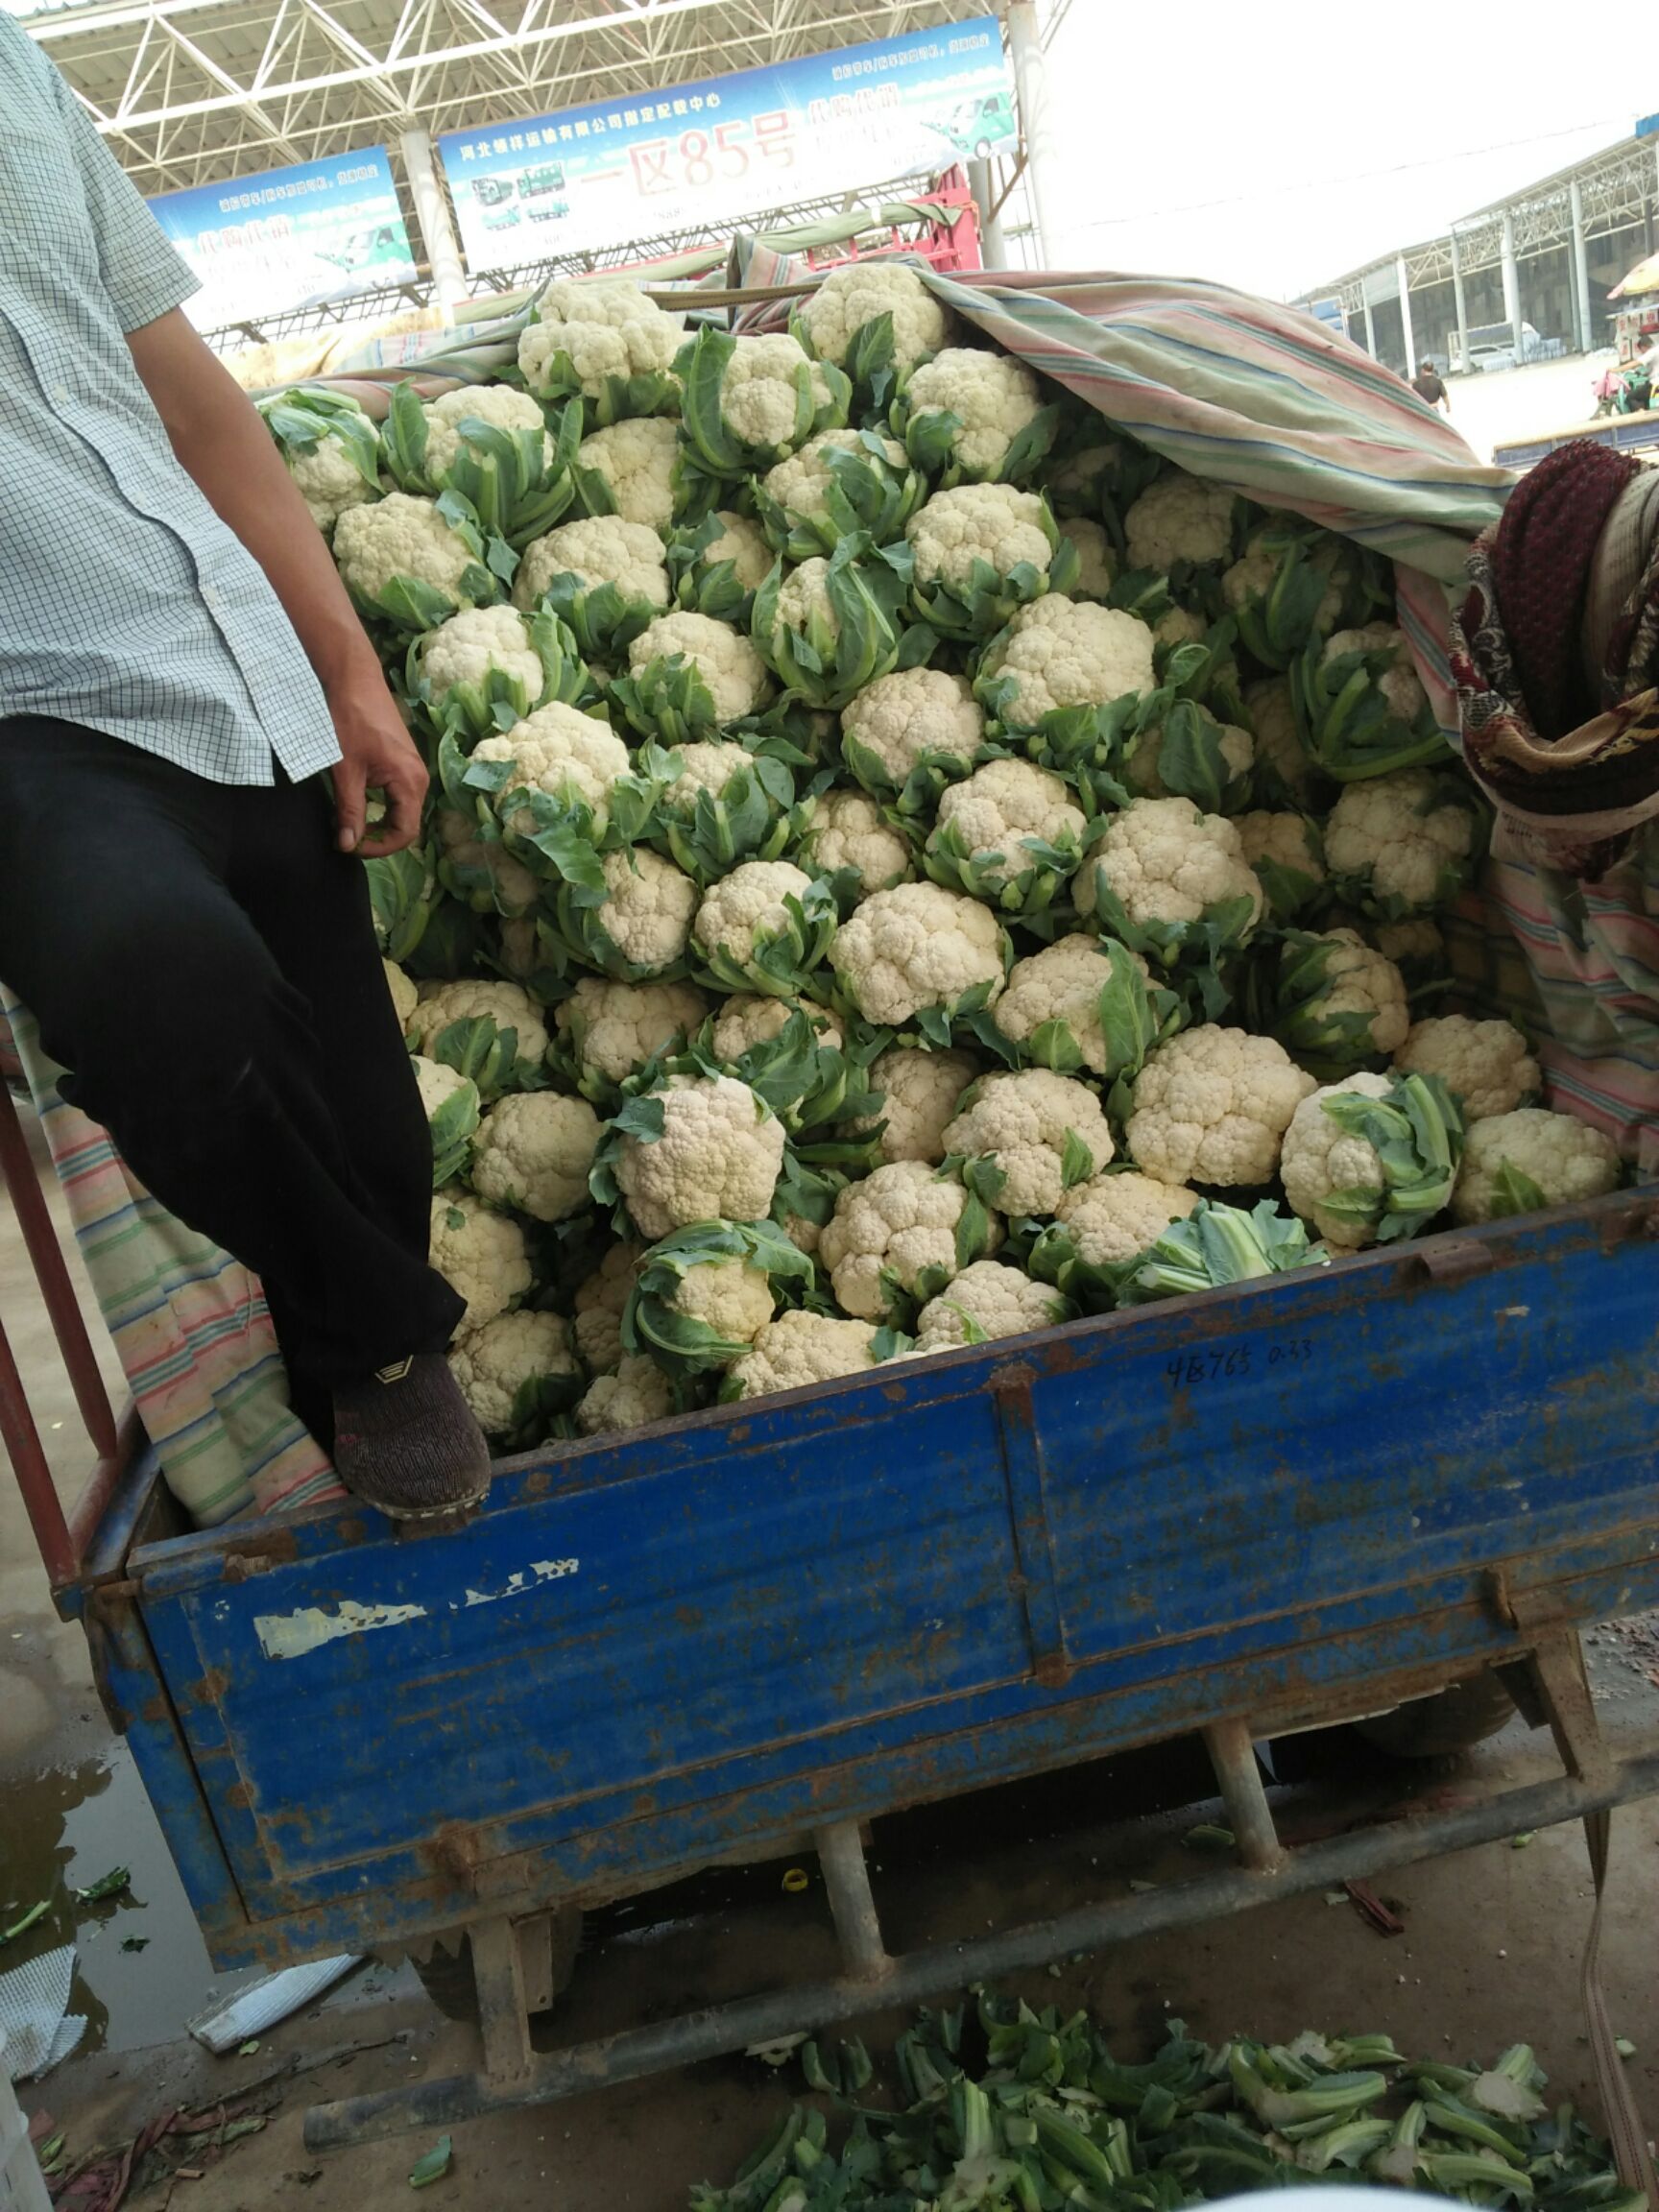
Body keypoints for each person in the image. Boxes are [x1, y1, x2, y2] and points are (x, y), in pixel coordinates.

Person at [0, 18, 491, 1525]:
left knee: (363, 1126)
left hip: (226, 662)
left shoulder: (16, 63)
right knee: (163, 985)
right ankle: (388, 1347)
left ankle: (342, 1353)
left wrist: (343, 662)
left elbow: (181, 384)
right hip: (26, 706)